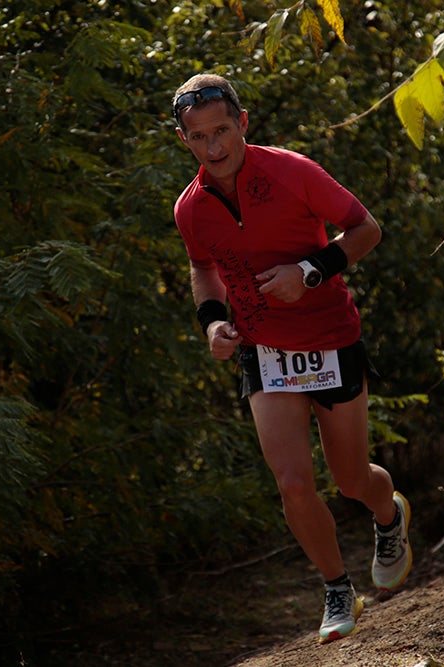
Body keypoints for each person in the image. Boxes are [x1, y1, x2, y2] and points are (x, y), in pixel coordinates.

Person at [171, 73, 411, 643]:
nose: (215, 147)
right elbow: (203, 267)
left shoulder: (293, 171)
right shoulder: (190, 209)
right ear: (185, 140)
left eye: (223, 130)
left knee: (352, 479)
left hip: (329, 336)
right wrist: (212, 325)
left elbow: (365, 228)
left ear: (243, 123)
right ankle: (335, 587)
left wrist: (310, 272)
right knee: (293, 482)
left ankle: (389, 514)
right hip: (263, 348)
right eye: (200, 137)